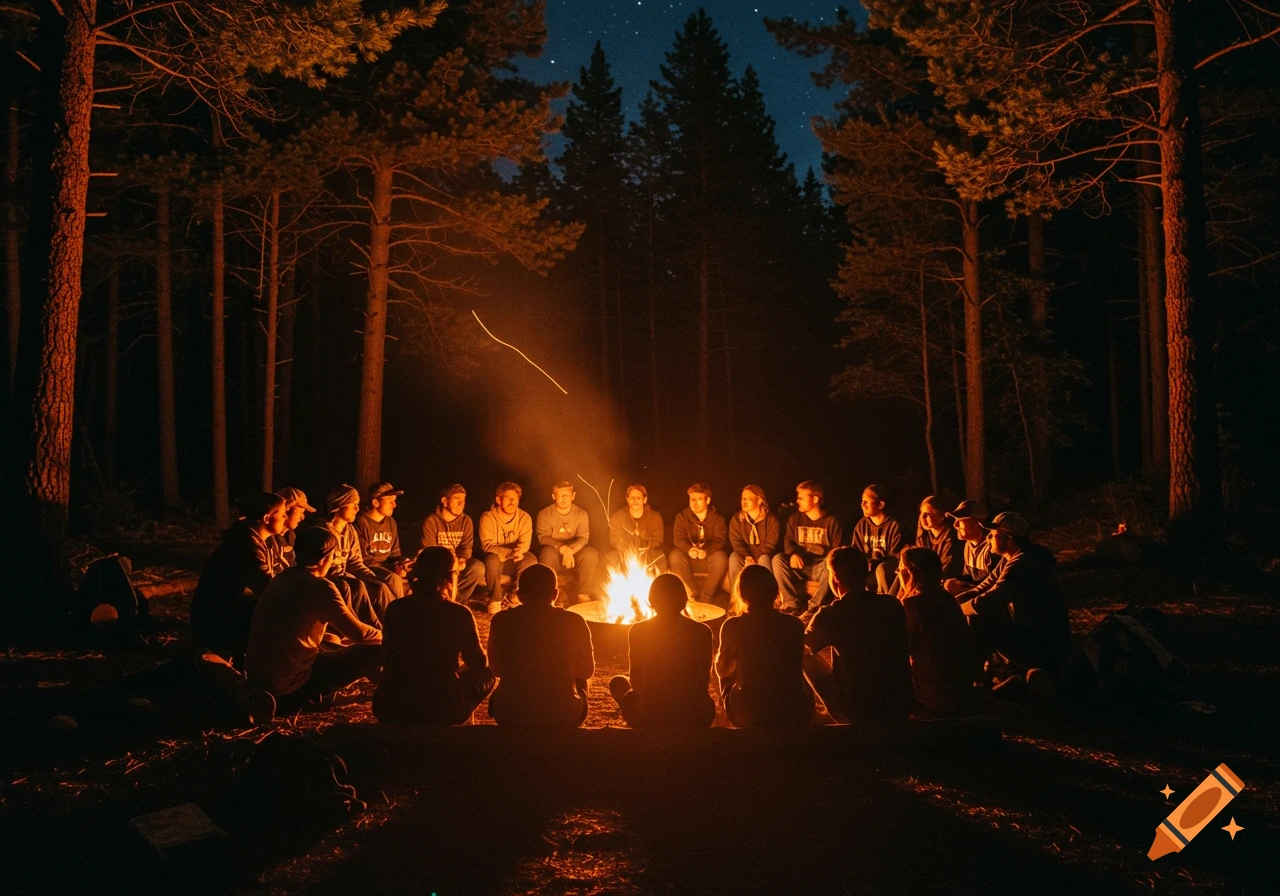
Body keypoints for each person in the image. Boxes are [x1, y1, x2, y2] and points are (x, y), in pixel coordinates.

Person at [245, 527, 383, 714]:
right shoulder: (320, 587)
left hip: (261, 682)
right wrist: (388, 635)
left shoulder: (281, 578)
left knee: (332, 640)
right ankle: (393, 688)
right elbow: (359, 633)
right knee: (377, 649)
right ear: (327, 557)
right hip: (291, 690)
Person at [372, 547, 496, 725]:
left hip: (389, 705)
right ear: (450, 577)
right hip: (441, 707)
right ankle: (464, 722)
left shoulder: (396, 608)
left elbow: (387, 655)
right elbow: (478, 663)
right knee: (487, 675)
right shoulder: (458, 613)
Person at [958, 513, 1071, 694]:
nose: (987, 538)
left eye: (993, 535)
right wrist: (948, 602)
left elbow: (990, 600)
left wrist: (954, 609)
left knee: (979, 620)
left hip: (1044, 647)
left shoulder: (1024, 564)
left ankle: (974, 681)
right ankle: (1006, 674)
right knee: (977, 615)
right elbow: (982, 588)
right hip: (1032, 634)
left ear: (1008, 537)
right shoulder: (1010, 559)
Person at [803, 547, 913, 723]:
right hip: (899, 704)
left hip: (856, 710)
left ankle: (806, 711)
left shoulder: (830, 614)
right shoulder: (892, 604)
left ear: (835, 577)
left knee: (801, 651)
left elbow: (807, 644)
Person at [487, 564, 595, 727]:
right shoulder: (575, 621)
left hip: (510, 713)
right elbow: (586, 671)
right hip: (563, 716)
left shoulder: (501, 620)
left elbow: (496, 670)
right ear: (555, 594)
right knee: (581, 681)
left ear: (519, 595)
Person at [192, 492, 290, 660]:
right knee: (279, 609)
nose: (285, 517)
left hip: (221, 612)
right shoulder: (246, 546)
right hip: (216, 621)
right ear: (267, 518)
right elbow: (268, 587)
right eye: (282, 514)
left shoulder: (252, 539)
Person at [609, 574, 716, 728]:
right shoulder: (702, 631)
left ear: (651, 601)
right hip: (693, 718)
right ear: (684, 600)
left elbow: (636, 682)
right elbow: (703, 680)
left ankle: (646, 728)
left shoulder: (638, 630)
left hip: (651, 717)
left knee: (618, 683)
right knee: (707, 703)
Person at [716, 565, 815, 727]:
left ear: (741, 594)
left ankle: (730, 711)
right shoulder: (794, 625)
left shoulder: (733, 626)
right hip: (794, 712)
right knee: (808, 660)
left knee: (723, 668)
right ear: (775, 592)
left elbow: (723, 669)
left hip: (749, 715)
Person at [896, 547, 974, 713]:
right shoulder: (948, 599)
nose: (899, 574)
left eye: (901, 569)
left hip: (933, 694)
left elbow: (902, 650)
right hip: (962, 691)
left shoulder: (913, 605)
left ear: (912, 572)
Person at [323, 484, 395, 626]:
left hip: (346, 577)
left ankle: (394, 624)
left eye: (357, 505)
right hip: (331, 580)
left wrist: (372, 578)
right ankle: (369, 627)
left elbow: (355, 562)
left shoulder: (350, 531)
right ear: (338, 506)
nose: (357, 509)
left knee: (380, 587)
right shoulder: (324, 532)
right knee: (357, 586)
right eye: (353, 505)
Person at [771, 480, 843, 613]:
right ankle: (791, 603)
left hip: (821, 566)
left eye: (801, 498)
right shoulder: (795, 519)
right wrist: (793, 553)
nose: (797, 501)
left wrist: (828, 562)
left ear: (815, 499)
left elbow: (837, 550)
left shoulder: (831, 521)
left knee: (832, 566)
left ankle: (814, 607)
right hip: (802, 564)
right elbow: (788, 540)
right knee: (778, 559)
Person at [877, 495, 963, 595]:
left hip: (937, 578)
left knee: (907, 573)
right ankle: (890, 599)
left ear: (941, 516)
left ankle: (893, 601)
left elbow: (946, 569)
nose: (922, 518)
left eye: (927, 514)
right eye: (921, 513)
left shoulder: (951, 537)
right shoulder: (924, 534)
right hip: (921, 572)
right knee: (887, 569)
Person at [420, 483, 486, 606]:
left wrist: (462, 561)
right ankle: (437, 599)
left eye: (463, 500)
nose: (461, 503)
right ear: (445, 501)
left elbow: (466, 548)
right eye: (457, 499)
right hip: (438, 565)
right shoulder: (431, 521)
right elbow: (429, 551)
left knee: (477, 568)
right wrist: (449, 563)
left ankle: (455, 602)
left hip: (457, 564)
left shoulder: (466, 521)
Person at [536, 481, 601, 602]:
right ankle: (548, 594)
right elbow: (543, 537)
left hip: (574, 553)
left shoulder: (581, 514)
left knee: (590, 554)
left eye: (567, 495)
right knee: (546, 554)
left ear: (573, 496)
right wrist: (562, 548)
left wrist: (570, 550)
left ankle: (584, 594)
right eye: (560, 495)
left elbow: (583, 538)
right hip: (555, 552)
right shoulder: (545, 514)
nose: (564, 498)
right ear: (554, 496)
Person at [478, 481, 537, 614]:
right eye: (508, 498)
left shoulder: (524, 517)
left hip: (515, 559)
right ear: (498, 500)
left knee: (531, 559)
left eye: (514, 499)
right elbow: (487, 545)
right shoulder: (487, 517)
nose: (512, 502)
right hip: (497, 562)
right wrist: (510, 552)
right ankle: (495, 599)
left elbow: (525, 543)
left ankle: (515, 595)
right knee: (491, 560)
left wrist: (520, 551)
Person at [668, 483, 729, 605]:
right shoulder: (682, 517)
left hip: (708, 559)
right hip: (690, 559)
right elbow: (678, 539)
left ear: (707, 500)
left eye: (699, 499)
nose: (695, 503)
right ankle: (694, 593)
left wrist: (706, 551)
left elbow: (720, 540)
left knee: (721, 558)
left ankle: (706, 596)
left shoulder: (717, 518)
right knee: (675, 556)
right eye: (692, 499)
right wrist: (689, 549)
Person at [353, 481, 408, 601]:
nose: (394, 505)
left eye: (395, 501)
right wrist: (390, 571)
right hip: (367, 568)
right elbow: (364, 559)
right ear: (376, 502)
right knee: (393, 579)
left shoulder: (391, 522)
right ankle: (400, 610)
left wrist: (402, 564)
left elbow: (395, 554)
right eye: (390, 501)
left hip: (385, 567)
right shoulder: (361, 522)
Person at [727, 484, 779, 601]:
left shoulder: (770, 520)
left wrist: (756, 559)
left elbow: (771, 544)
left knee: (764, 559)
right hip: (746, 556)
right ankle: (735, 600)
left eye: (748, 499)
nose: (744, 502)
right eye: (743, 499)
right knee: (734, 557)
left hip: (763, 555)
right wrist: (747, 557)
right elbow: (736, 542)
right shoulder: (737, 519)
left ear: (759, 500)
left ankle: (770, 599)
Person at [850, 484, 905, 590]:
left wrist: (874, 563)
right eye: (862, 501)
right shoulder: (862, 525)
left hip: (886, 570)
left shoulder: (894, 526)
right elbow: (856, 551)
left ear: (880, 505)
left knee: (881, 569)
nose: (862, 505)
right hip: (867, 569)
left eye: (866, 501)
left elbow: (895, 557)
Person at [943, 500, 998, 596]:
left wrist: (963, 589)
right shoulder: (968, 545)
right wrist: (956, 581)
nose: (955, 525)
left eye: (961, 520)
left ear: (978, 523)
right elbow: (969, 576)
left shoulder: (992, 548)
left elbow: (992, 584)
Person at [608, 484, 666, 572]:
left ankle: (659, 580)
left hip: (648, 552)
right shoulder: (618, 517)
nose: (635, 500)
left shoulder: (654, 517)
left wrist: (647, 548)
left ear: (644, 500)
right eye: (632, 498)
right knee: (612, 557)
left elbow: (657, 538)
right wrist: (627, 551)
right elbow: (614, 538)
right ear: (627, 500)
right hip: (624, 552)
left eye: (638, 498)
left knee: (659, 556)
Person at [274, 486, 316, 566]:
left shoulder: (291, 536)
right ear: (287, 509)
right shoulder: (267, 537)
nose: (303, 517)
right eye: (301, 512)